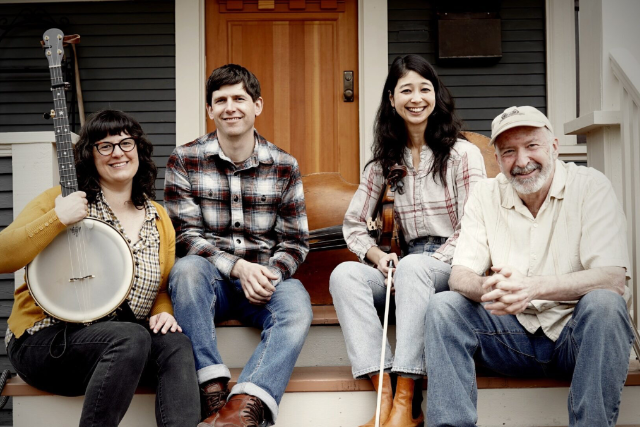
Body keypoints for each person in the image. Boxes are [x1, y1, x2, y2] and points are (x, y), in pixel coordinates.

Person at [424, 106, 636, 426]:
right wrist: (491, 289)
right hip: (510, 336)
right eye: (509, 151)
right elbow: (460, 274)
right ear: (497, 159)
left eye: (532, 146)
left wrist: (532, 286)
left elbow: (612, 278)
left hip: (574, 338)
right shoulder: (485, 194)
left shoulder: (590, 185)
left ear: (554, 146)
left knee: (605, 304)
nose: (522, 161)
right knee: (444, 306)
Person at [1, 110, 200, 426]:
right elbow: (3, 256)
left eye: (125, 143)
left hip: (120, 348)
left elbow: (162, 287)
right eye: (104, 146)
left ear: (139, 149)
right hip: (47, 343)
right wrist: (58, 218)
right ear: (90, 156)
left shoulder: (159, 218)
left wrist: (164, 310)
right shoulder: (62, 199)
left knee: (175, 343)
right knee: (131, 337)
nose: (118, 152)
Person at [329, 54, 487, 427]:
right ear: (391, 99)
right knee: (344, 276)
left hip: (455, 263)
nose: (416, 98)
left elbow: (476, 227)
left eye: (424, 89)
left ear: (436, 96)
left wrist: (428, 261)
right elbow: (353, 225)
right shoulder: (385, 161)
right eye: (406, 90)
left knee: (416, 265)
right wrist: (378, 256)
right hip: (406, 268)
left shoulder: (463, 154)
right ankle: (383, 394)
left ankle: (407, 397)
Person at [164, 63, 312, 427]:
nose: (230, 107)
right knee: (185, 270)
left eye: (239, 98)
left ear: (257, 105)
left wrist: (267, 273)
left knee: (297, 306)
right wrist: (237, 267)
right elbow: (184, 235)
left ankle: (242, 409)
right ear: (210, 110)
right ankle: (212, 388)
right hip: (210, 282)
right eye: (221, 100)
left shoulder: (284, 165)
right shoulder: (184, 159)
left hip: (263, 282)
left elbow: (295, 241)